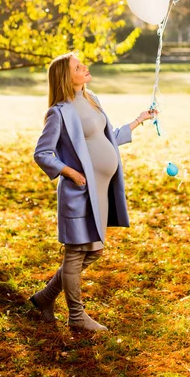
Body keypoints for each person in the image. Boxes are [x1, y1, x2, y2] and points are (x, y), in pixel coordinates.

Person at [31, 52, 156, 331]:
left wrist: (139, 120)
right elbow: (42, 153)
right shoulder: (59, 112)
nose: (84, 67)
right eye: (78, 67)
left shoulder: (91, 99)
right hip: (80, 194)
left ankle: (44, 298)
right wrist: (70, 172)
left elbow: (107, 135)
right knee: (76, 253)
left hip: (100, 191)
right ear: (67, 77)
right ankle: (76, 317)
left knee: (94, 251)